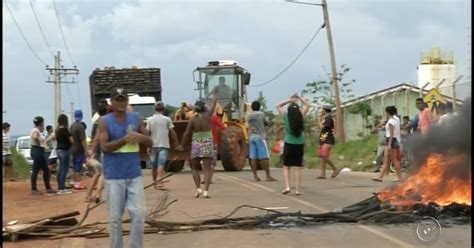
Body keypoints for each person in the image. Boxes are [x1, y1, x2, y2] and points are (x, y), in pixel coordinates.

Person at [98, 88, 152, 248]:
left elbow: (150, 141)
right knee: (115, 218)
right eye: (117, 99)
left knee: (139, 214)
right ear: (112, 102)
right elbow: (105, 147)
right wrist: (125, 139)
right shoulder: (104, 121)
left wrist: (141, 137)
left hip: (134, 174)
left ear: (127, 101)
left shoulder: (136, 118)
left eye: (123, 99)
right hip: (114, 176)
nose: (120, 103)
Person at [177, 98, 218, 198]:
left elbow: (187, 133)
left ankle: (198, 189)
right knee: (207, 168)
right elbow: (213, 107)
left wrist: (182, 145)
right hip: (207, 142)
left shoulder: (192, 119)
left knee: (194, 167)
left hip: (196, 143)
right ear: (204, 108)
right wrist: (215, 97)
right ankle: (206, 191)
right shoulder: (208, 116)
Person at [276, 93, 310, 195]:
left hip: (289, 143)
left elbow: (277, 106)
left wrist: (289, 100)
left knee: (286, 166)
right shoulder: (301, 115)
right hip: (300, 143)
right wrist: (299, 98)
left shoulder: (286, 116)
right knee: (298, 167)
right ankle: (298, 190)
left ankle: (287, 187)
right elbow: (307, 105)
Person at [147, 101, 179, 190]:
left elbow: (147, 133)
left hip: (153, 145)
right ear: (164, 109)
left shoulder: (150, 120)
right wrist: (176, 143)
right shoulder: (167, 119)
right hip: (164, 145)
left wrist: (148, 146)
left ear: (154, 109)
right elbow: (173, 133)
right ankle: (159, 182)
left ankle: (154, 183)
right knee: (161, 164)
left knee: (154, 165)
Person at [85, 99, 108, 202]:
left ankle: (89, 194)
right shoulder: (104, 122)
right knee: (102, 173)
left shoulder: (96, 122)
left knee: (98, 173)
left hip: (96, 151)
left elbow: (94, 138)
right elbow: (97, 138)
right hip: (101, 151)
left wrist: (92, 152)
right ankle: (98, 195)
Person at [248, 101, 277, 182]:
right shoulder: (261, 114)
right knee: (264, 157)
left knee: (253, 157)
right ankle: (268, 176)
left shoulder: (249, 115)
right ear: (259, 106)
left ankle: (255, 176)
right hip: (260, 136)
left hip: (252, 136)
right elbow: (265, 123)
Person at [372, 106, 402, 182]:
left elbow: (391, 133)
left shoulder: (391, 121)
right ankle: (381, 177)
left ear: (388, 112)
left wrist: (389, 144)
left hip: (391, 140)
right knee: (386, 159)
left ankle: (399, 177)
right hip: (392, 140)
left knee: (394, 159)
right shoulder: (396, 119)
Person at [30, 116, 55, 195]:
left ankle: (47, 188)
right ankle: (34, 189)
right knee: (36, 170)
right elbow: (34, 136)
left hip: (38, 151)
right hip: (37, 151)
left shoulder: (36, 130)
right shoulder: (36, 130)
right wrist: (38, 142)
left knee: (45, 170)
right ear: (41, 123)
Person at [315, 105, 340, 179]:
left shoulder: (329, 117)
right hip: (323, 137)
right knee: (321, 155)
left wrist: (320, 122)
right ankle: (323, 174)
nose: (321, 111)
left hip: (328, 138)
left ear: (325, 110)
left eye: (322, 110)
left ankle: (335, 169)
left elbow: (322, 127)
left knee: (323, 155)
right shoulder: (325, 117)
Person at [204, 105, 226, 184]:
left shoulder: (201, 119)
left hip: (204, 142)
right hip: (213, 142)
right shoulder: (214, 118)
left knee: (205, 161)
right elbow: (222, 127)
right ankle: (209, 179)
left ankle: (205, 178)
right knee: (212, 162)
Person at [55, 114, 73, 195]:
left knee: (60, 169)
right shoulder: (65, 130)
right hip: (65, 150)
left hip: (58, 150)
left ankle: (60, 186)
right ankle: (62, 188)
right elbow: (71, 140)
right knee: (64, 169)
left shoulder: (57, 130)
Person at [70, 110, 88, 190]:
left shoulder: (72, 126)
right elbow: (83, 140)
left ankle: (73, 182)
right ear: (81, 116)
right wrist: (86, 150)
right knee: (78, 167)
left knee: (74, 166)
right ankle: (78, 184)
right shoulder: (81, 126)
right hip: (79, 149)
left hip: (72, 149)